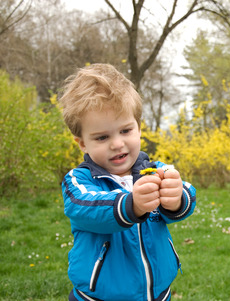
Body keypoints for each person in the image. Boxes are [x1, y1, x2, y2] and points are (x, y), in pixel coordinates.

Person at [59, 63, 196, 301]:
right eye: (102, 137)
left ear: (139, 128)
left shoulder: (155, 171)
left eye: (125, 130)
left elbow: (186, 193)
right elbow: (86, 207)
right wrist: (131, 205)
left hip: (158, 294)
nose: (117, 144)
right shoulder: (78, 181)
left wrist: (177, 198)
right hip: (98, 297)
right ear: (82, 143)